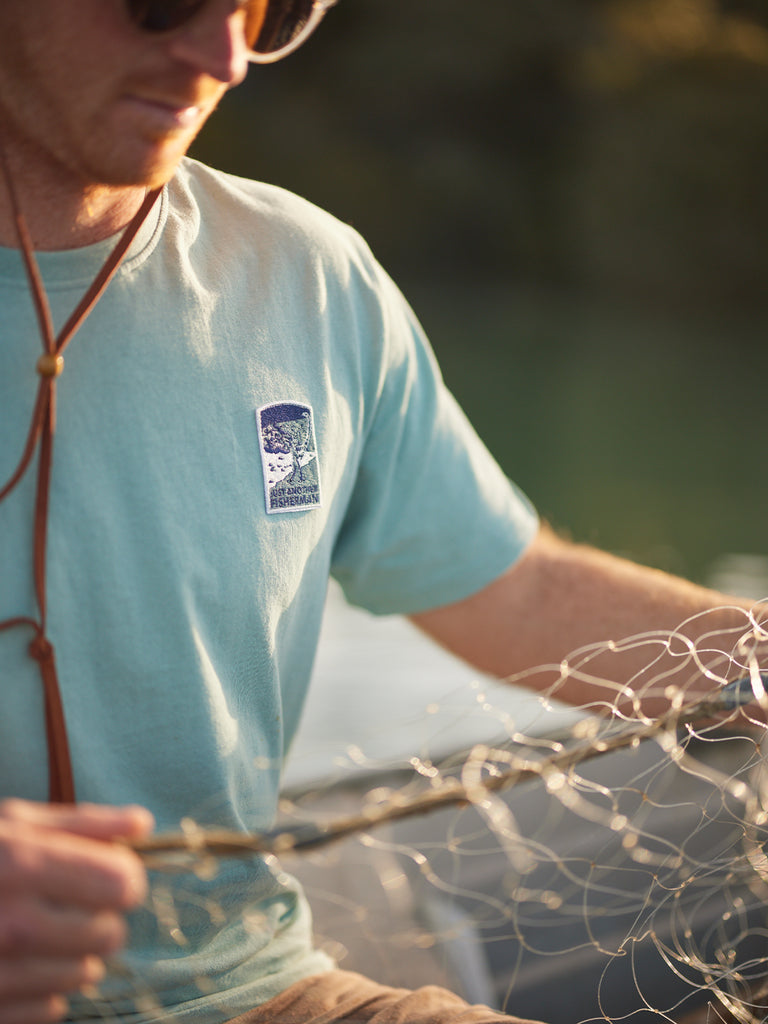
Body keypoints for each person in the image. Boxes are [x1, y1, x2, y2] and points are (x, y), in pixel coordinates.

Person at [0, 2, 764, 1023]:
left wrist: (759, 653)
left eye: (266, 9)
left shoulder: (308, 274)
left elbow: (515, 590)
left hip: (255, 990)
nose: (225, 55)